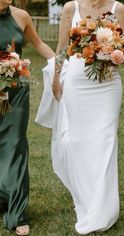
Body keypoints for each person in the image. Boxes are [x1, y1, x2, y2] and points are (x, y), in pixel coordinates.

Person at [0, 0, 54, 235]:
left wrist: (59, 63)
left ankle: (17, 213)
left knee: (16, 146)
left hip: (17, 93)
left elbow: (38, 43)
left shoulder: (23, 16)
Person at [51, 0, 124, 234]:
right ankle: (86, 195)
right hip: (78, 84)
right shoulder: (71, 8)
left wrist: (110, 50)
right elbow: (62, 48)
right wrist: (56, 77)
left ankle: (104, 207)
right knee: (80, 141)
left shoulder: (119, 9)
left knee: (106, 142)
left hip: (108, 84)